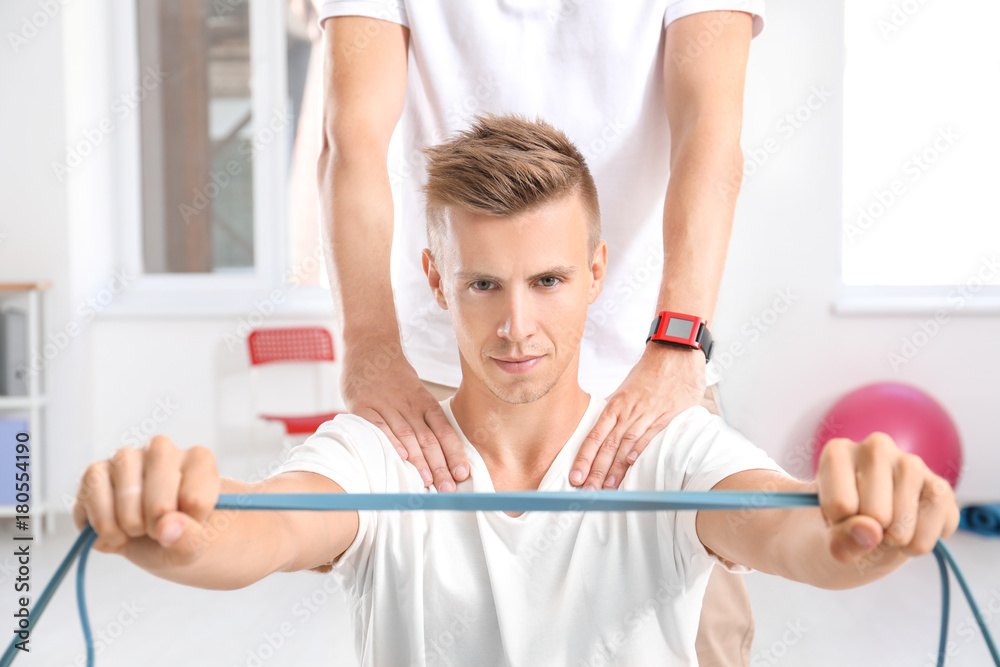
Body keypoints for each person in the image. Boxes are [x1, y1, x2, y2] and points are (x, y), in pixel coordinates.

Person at [74, 115, 960, 666]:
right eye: (484, 285)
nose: (516, 327)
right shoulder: (383, 449)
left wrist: (866, 533)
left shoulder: (668, 444)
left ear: (596, 273)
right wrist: (177, 524)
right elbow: (266, 530)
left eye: (547, 281)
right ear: (437, 281)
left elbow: (787, 532)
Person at [319, 5, 762, 659]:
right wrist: (370, 347)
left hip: (652, 375)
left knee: (706, 638)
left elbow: (710, 132)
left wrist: (677, 342)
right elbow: (352, 139)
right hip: (448, 371)